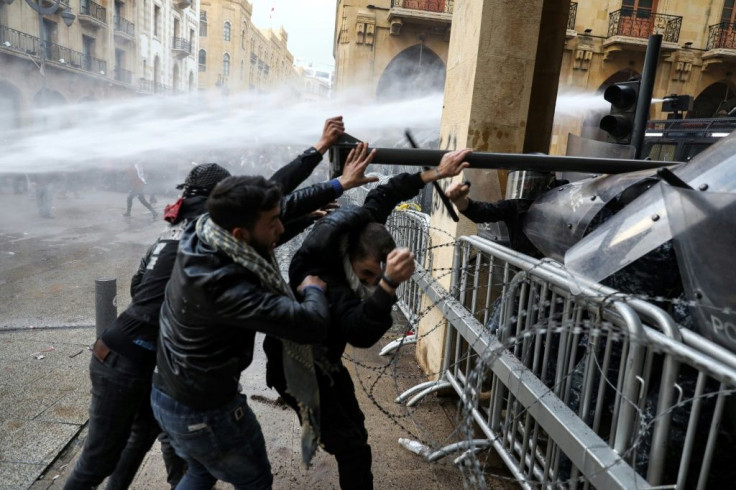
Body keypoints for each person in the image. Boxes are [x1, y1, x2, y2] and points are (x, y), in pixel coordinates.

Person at [64, 116, 366, 489]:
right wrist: (332, 181)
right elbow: (275, 198)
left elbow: (140, 282)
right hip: (137, 360)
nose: (276, 225)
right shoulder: (209, 236)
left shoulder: (193, 230)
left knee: (154, 446)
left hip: (146, 357)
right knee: (104, 460)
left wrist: (315, 170)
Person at [265, 144, 472, 490]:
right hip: (297, 366)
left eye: (375, 279)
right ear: (352, 258)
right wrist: (389, 285)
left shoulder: (360, 228)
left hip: (325, 360)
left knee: (355, 429)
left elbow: (385, 192)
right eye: (366, 276)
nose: (369, 285)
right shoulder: (320, 275)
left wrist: (436, 172)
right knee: (352, 448)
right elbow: (359, 331)